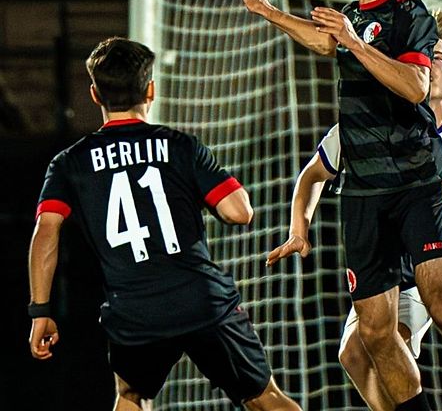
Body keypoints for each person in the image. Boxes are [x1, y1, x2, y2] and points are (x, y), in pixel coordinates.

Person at [235, 0, 442, 411]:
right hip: (363, 194)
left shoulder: (410, 13)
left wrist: (354, 43)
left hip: (415, 184)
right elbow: (323, 40)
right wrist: (267, 11)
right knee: (373, 334)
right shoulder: (352, 16)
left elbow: (415, 85)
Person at [266, 10, 442, 411]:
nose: (428, 63)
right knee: (357, 351)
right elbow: (312, 175)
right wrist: (299, 229)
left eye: (438, 57)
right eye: (422, 54)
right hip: (399, 257)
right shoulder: (370, 122)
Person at [27, 37, 300, 411]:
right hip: (200, 300)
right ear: (150, 90)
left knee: (130, 397)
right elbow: (239, 212)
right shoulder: (181, 146)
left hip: (136, 310)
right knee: (263, 398)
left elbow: (45, 233)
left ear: (95, 94)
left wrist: (40, 311)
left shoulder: (69, 163)